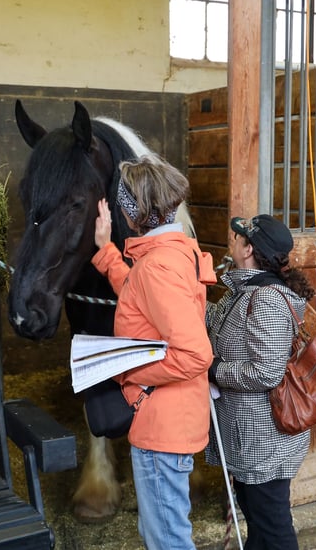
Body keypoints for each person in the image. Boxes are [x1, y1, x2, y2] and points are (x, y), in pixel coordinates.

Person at [91, 154, 216, 550]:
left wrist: (132, 371)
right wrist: (107, 253)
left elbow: (196, 354)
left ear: (133, 214)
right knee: (159, 533)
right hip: (170, 418)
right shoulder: (172, 253)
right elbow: (141, 293)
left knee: (168, 541)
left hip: (162, 424)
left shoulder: (157, 267)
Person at [205, 214, 316, 550]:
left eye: (238, 238)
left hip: (264, 441)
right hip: (251, 437)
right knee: (258, 522)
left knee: (273, 528)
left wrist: (214, 370)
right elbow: (222, 323)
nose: (233, 242)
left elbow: (266, 372)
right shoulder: (245, 289)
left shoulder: (265, 300)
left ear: (248, 248)